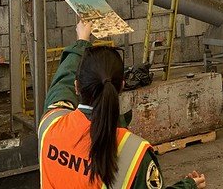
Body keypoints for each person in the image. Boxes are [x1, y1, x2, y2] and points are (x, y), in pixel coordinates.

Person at [39, 20, 207, 189]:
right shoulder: (133, 153)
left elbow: (62, 83)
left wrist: (82, 40)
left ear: (77, 86)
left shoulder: (50, 125)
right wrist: (188, 186)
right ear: (121, 86)